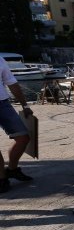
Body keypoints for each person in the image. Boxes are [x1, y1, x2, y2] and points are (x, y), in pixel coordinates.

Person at [0, 57, 34, 193]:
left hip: (3, 103)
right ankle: (1, 179)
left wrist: (25, 105)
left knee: (23, 138)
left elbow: (11, 82)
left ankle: (12, 169)